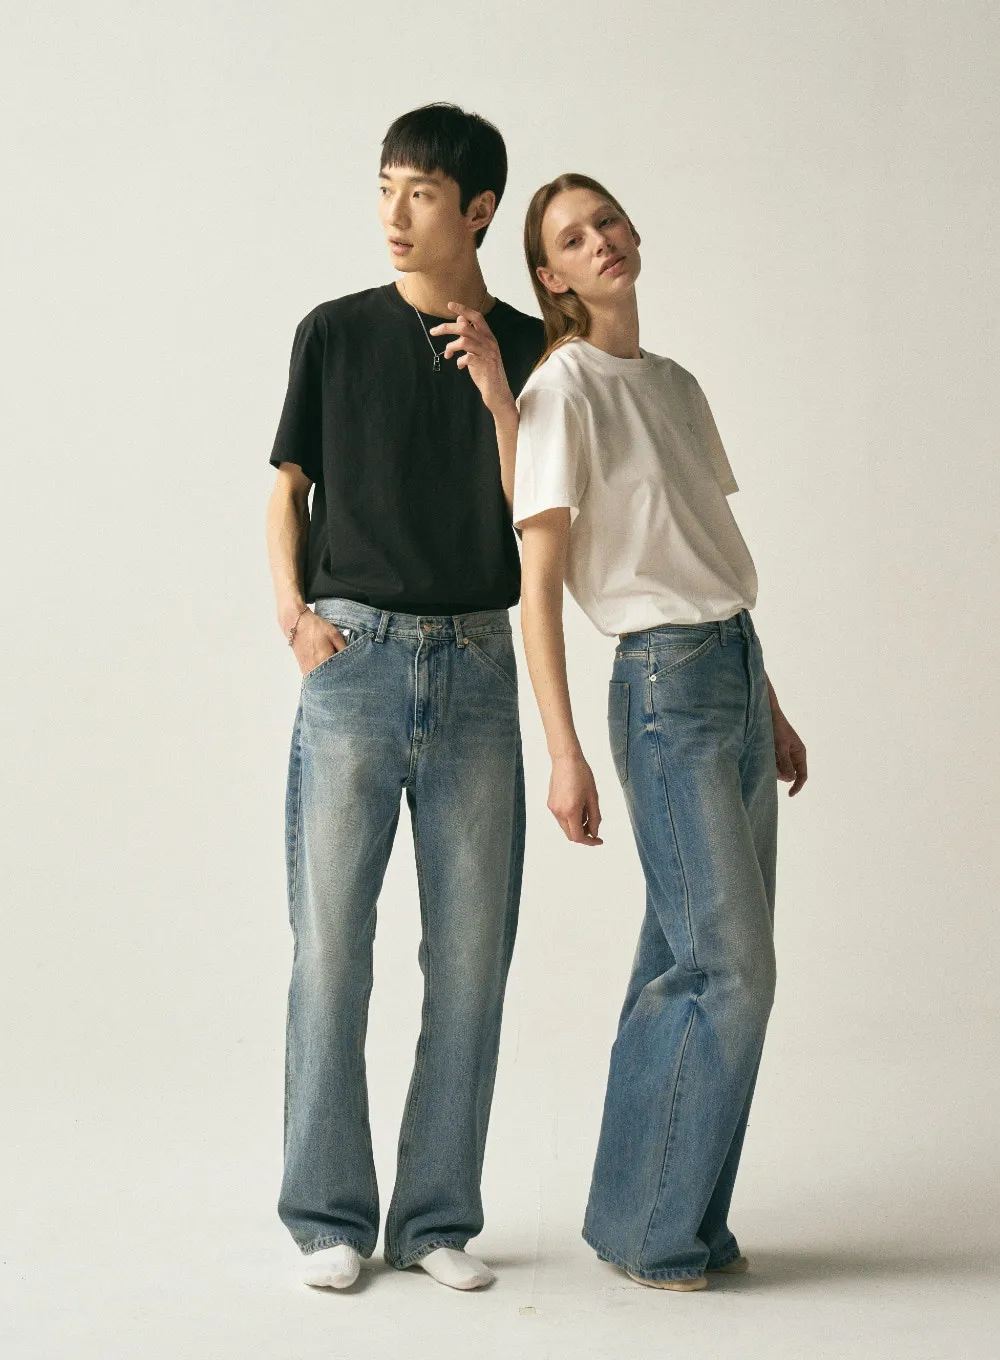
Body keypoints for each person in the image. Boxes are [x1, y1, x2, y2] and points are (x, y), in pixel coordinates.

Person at [264, 104, 544, 1292]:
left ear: (477, 210)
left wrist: (498, 392)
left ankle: (434, 1220)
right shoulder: (332, 332)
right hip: (355, 662)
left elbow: (543, 518)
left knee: (471, 958)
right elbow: (288, 488)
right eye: (385, 187)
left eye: (420, 192)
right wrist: (294, 612)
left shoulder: (531, 348)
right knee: (332, 950)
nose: (393, 213)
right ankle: (328, 1215)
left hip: (478, 664)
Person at [512, 173, 808, 1291]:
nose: (599, 242)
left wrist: (768, 704)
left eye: (607, 221)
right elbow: (538, 587)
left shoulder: (676, 386)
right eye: (571, 238)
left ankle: (670, 1216)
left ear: (632, 233)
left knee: (688, 957)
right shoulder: (561, 391)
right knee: (729, 967)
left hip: (731, 668)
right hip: (660, 688)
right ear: (551, 277)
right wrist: (564, 750)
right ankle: (650, 1232)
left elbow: (704, 551)